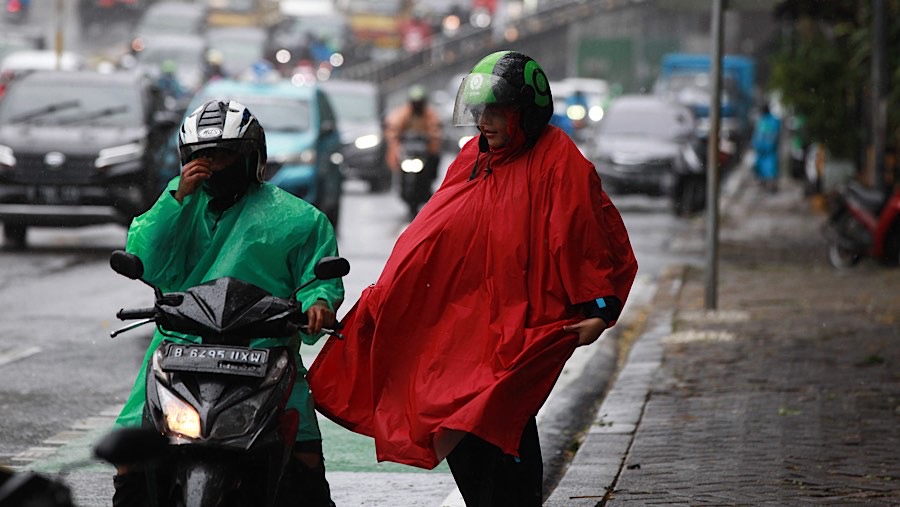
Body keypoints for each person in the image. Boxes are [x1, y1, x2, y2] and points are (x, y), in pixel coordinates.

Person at [308, 50, 638, 505]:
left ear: (525, 111)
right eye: (481, 112)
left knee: (501, 429)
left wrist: (599, 311)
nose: (485, 122)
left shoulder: (559, 162)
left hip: (520, 331)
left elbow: (585, 240)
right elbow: (432, 236)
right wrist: (387, 296)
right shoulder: (472, 158)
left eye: (497, 112)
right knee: (461, 430)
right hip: (465, 328)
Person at [111, 99, 344, 507]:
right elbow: (146, 256)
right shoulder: (177, 206)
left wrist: (318, 302)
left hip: (264, 351)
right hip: (181, 347)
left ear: (251, 157)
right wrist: (177, 197)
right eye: (201, 157)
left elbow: (316, 277)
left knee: (302, 452)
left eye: (223, 155)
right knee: (130, 457)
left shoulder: (299, 219)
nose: (212, 165)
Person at [383, 84, 443, 212]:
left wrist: (432, 137)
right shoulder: (403, 113)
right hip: (409, 149)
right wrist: (395, 136)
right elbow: (394, 126)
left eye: (419, 103)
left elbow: (436, 129)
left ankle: (429, 182)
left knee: (435, 158)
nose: (417, 105)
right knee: (397, 158)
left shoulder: (430, 114)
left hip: (425, 150)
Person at [752, 103, 781, 193]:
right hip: (761, 150)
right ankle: (764, 183)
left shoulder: (772, 121)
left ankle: (772, 185)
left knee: (771, 168)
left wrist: (768, 145)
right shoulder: (762, 120)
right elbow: (757, 134)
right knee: (762, 168)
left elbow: (774, 135)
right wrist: (756, 144)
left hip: (769, 150)